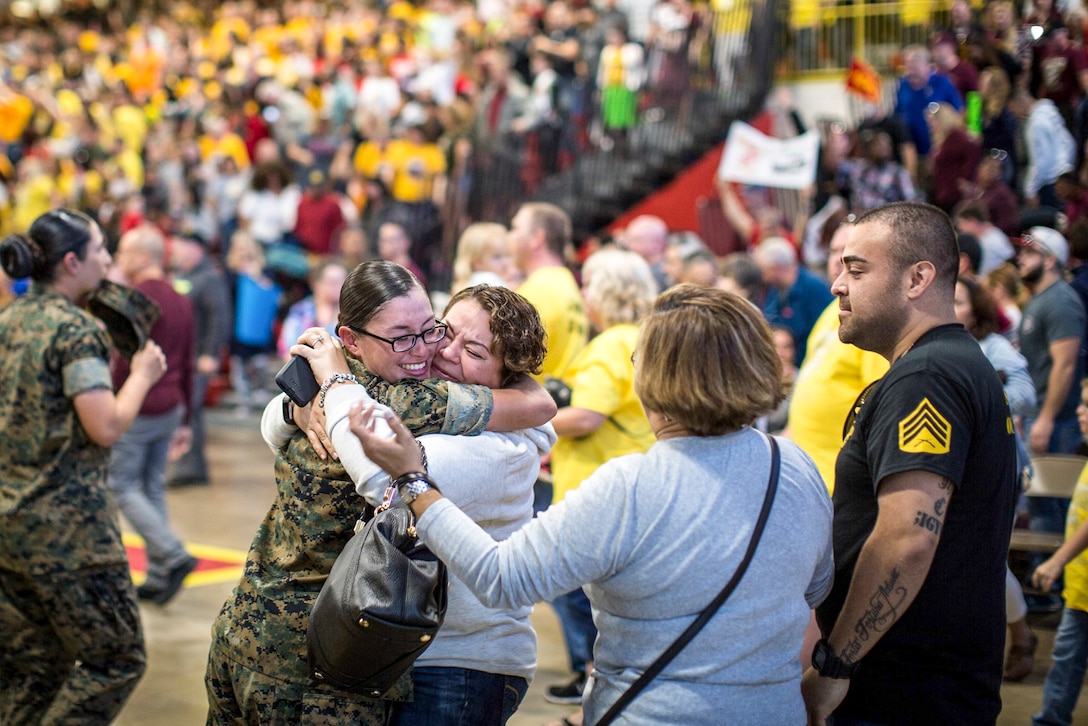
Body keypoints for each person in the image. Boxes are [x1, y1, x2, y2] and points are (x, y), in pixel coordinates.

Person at [351, 284, 835, 726]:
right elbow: (817, 591)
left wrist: (413, 480)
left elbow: (502, 578)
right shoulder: (794, 469)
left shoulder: (631, 488)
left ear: (652, 375)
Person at [206, 261, 555, 723]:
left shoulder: (494, 443)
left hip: (455, 662)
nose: (441, 352)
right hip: (314, 652)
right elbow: (275, 423)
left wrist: (331, 386)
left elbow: (383, 478)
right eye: (442, 331)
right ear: (352, 340)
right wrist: (294, 408)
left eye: (473, 350)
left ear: (507, 376)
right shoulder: (403, 395)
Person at [802, 202, 1018, 725]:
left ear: (918, 277)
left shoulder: (929, 376)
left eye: (856, 269)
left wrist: (836, 664)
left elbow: (908, 536)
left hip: (905, 691)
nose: (837, 285)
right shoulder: (945, 365)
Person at [0, 209, 167, 723]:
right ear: (72, 262)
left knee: (33, 667)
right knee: (115, 660)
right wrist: (142, 374)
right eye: (100, 250)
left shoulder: (9, 319)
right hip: (69, 533)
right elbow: (106, 426)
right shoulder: (75, 331)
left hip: (10, 523)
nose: (109, 259)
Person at [546, 248, 659, 711]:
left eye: (589, 284)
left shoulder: (613, 341)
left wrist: (525, 420)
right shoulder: (638, 335)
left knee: (577, 591)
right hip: (623, 479)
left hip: (596, 485)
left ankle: (595, 680)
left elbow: (587, 415)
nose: (583, 294)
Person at [953, 275, 1040, 681]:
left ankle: (1020, 636)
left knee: (988, 560)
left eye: (958, 302)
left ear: (977, 309)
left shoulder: (994, 346)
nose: (951, 309)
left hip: (998, 468)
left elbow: (1025, 395)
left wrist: (976, 395)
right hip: (959, 470)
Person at [108, 225, 199, 605]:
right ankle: (160, 571)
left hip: (141, 403)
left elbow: (122, 360)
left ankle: (173, 554)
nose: (118, 259)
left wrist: (112, 400)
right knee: (151, 486)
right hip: (171, 403)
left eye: (124, 253)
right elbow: (189, 360)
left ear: (144, 257)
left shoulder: (137, 298)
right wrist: (187, 419)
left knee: (121, 485)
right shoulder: (180, 299)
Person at [785, 221, 888, 491]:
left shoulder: (871, 319)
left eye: (848, 253)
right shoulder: (833, 310)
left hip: (843, 487)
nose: (838, 259)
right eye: (833, 250)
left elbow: (880, 411)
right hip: (810, 480)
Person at [1030, 381, 1088, 726]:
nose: (1079, 412)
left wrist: (1056, 559)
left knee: (1066, 657)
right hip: (1080, 589)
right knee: (1065, 659)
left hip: (1079, 580)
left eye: (1086, 406)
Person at [169, 231, 232, 487]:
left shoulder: (208, 278)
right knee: (186, 410)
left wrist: (210, 353)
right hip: (184, 357)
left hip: (199, 357)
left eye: (181, 246)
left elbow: (219, 317)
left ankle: (190, 467)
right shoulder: (183, 276)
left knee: (190, 409)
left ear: (196, 248)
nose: (176, 251)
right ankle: (192, 466)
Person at [510, 202, 589, 383]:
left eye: (515, 228)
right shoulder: (567, 283)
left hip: (532, 402)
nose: (510, 237)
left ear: (536, 238)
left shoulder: (536, 292)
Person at [752, 236, 834, 366]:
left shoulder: (814, 289)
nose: (761, 275)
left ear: (776, 267)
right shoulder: (774, 290)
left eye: (763, 269)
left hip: (811, 365)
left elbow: (827, 336)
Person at [277, 258, 349, 360]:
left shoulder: (351, 312)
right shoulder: (300, 312)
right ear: (317, 284)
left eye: (343, 281)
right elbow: (287, 350)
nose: (340, 286)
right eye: (333, 282)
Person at [450, 222, 519, 293]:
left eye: (507, 255)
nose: (505, 262)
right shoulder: (487, 280)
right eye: (497, 257)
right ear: (476, 262)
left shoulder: (470, 283)